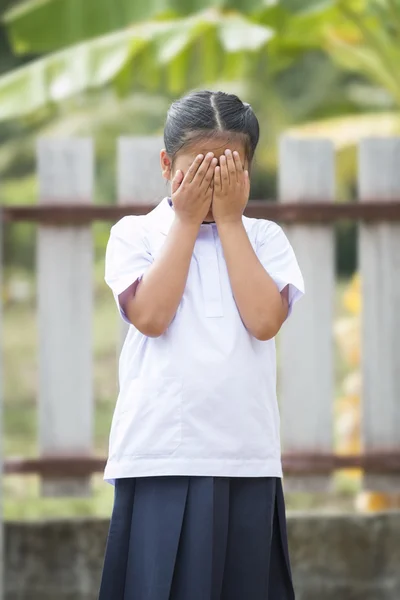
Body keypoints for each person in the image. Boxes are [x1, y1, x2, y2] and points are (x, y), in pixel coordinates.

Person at [99, 90, 304, 600]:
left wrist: (230, 221)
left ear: (248, 172)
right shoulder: (136, 234)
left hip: (246, 455)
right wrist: (187, 222)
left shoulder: (265, 237)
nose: (212, 184)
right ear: (167, 165)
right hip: (161, 454)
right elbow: (150, 316)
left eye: (226, 169)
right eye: (197, 170)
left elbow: (263, 321)